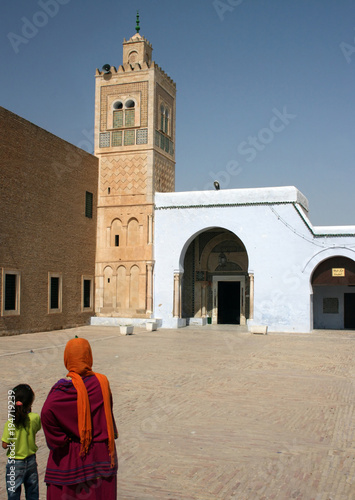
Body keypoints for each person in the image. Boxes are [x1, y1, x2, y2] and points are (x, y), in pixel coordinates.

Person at [41, 337, 118, 499]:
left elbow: (47, 411)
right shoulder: (102, 382)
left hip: (74, 456)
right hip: (101, 456)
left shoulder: (64, 388)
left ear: (67, 358)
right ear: (88, 356)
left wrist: (60, 439)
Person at [2, 384, 41, 500]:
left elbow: (4, 445)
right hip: (31, 460)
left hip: (14, 463)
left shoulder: (10, 423)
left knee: (13, 494)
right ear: (30, 403)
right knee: (32, 492)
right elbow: (37, 428)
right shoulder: (34, 418)